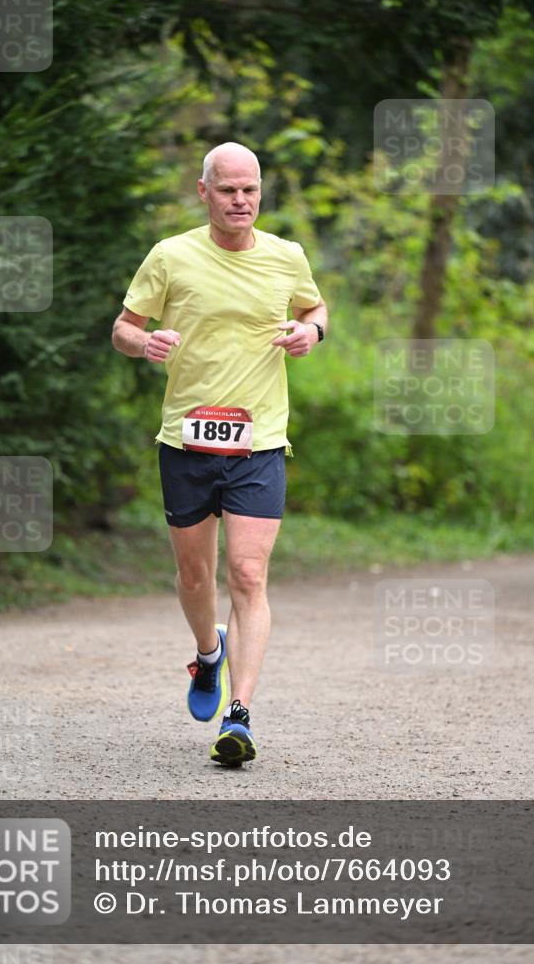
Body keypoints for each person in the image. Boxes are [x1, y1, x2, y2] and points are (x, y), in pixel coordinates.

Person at [112, 142, 327, 767]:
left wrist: (311, 330)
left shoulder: (287, 257)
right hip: (186, 440)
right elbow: (124, 326)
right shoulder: (170, 256)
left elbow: (315, 307)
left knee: (249, 575)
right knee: (195, 577)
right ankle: (208, 654)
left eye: (250, 190)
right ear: (203, 191)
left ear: (261, 192)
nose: (241, 201)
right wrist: (144, 341)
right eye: (228, 190)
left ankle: (241, 715)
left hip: (259, 441)